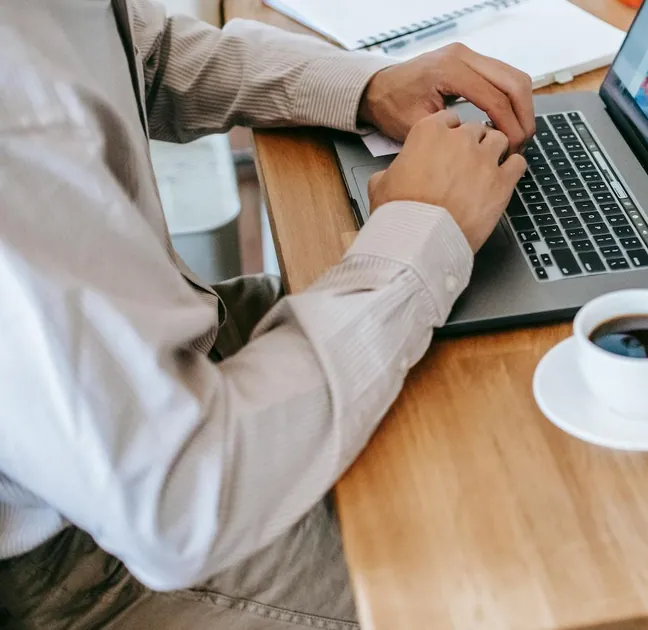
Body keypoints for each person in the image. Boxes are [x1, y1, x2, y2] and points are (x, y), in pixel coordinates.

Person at [0, 0, 535, 627]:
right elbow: (180, 500)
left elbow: (145, 52)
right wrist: (418, 235)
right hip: (99, 555)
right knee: (511, 576)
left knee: (505, 377)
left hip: (163, 379)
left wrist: (366, 86)